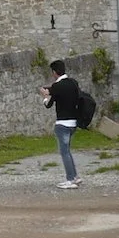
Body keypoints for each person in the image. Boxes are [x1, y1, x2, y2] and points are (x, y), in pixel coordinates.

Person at [40, 59, 82, 189]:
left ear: (54, 72)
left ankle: (70, 179)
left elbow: (48, 104)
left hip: (62, 123)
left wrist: (45, 97)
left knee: (64, 152)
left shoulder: (57, 87)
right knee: (67, 151)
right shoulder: (73, 83)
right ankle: (75, 176)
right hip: (73, 122)